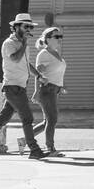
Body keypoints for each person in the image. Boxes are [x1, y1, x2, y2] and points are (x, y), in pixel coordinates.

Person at [0, 13, 47, 160]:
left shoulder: (23, 44)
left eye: (30, 26)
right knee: (28, 118)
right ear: (16, 27)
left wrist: (38, 75)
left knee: (2, 120)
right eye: (26, 26)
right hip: (13, 87)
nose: (29, 29)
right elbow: (15, 58)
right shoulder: (9, 43)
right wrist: (24, 43)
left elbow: (25, 63)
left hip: (18, 87)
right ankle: (34, 149)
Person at [32, 26, 67, 157]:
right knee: (52, 119)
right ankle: (50, 149)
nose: (59, 39)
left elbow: (57, 72)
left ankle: (25, 140)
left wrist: (62, 85)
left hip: (54, 90)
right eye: (56, 37)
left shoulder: (56, 53)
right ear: (47, 39)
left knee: (48, 121)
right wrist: (36, 91)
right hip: (46, 90)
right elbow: (38, 74)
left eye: (60, 36)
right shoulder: (44, 54)